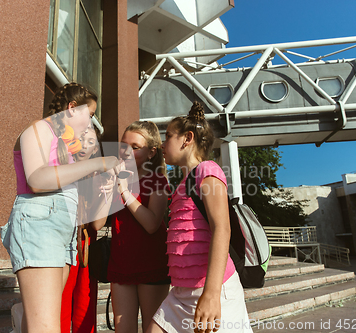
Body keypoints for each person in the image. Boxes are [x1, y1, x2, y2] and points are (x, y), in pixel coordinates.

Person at [0, 83, 118, 333]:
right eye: (91, 114)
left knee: (46, 321)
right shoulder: (39, 129)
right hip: (40, 222)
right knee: (46, 327)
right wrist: (97, 164)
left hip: (62, 230)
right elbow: (37, 180)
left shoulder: (67, 147)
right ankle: (24, 316)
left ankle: (23, 316)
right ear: (72, 109)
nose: (92, 123)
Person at [147, 102, 252, 333]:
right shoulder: (183, 183)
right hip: (181, 293)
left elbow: (222, 229)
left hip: (213, 290)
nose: (162, 144)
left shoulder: (208, 170)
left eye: (168, 137)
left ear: (187, 138)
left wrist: (212, 294)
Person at [108, 121, 170, 333]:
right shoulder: (115, 179)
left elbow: (152, 224)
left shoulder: (158, 179)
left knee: (152, 329)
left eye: (134, 147)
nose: (126, 151)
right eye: (123, 145)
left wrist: (125, 192)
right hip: (121, 264)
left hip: (151, 263)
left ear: (152, 152)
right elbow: (98, 224)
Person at [61, 126, 108, 333]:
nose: (85, 145)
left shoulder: (98, 175)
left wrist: (106, 194)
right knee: (59, 307)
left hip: (86, 246)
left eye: (91, 142)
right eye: (81, 139)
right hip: (61, 243)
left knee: (84, 310)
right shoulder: (61, 168)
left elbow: (97, 224)